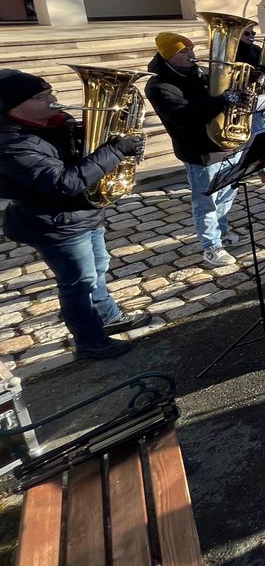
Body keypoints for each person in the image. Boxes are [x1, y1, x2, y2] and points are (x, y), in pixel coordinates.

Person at [0, 70, 149, 360]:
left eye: (51, 92)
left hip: (84, 213)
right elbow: (63, 183)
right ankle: (90, 342)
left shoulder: (56, 123)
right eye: (42, 97)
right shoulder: (12, 144)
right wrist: (115, 151)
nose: (53, 100)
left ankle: (109, 316)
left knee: (98, 269)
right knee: (78, 284)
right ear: (14, 106)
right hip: (55, 223)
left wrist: (107, 134)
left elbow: (83, 157)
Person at [145, 31, 247, 267]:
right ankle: (211, 247)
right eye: (184, 51)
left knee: (226, 196)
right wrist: (223, 100)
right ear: (168, 55)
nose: (191, 54)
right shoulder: (159, 86)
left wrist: (241, 93)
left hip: (227, 144)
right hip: (199, 150)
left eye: (191, 49)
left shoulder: (200, 73)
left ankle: (222, 233)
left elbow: (223, 97)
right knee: (206, 202)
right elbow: (185, 117)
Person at [235, 22, 265, 184]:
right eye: (247, 33)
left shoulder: (256, 49)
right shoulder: (234, 53)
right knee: (259, 134)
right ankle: (263, 171)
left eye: (253, 33)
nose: (252, 36)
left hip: (264, 95)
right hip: (248, 99)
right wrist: (256, 73)